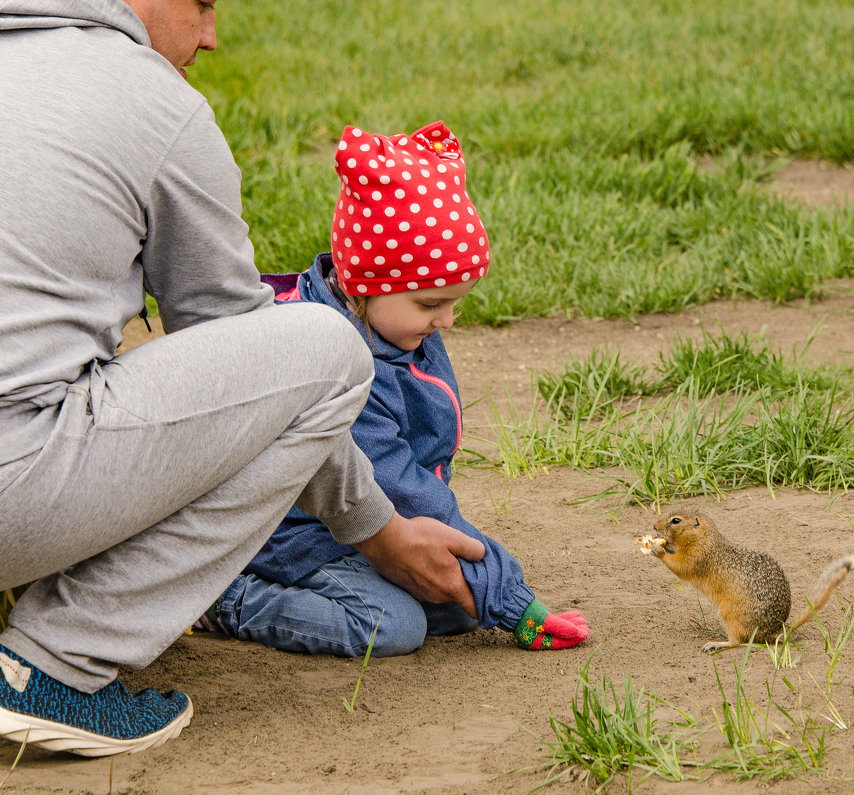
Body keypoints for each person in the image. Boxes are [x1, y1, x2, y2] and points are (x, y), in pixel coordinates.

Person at [0, 0, 484, 756]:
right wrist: (377, 531)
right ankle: (57, 664)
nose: (212, 34)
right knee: (322, 350)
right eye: (203, 4)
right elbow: (243, 343)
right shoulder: (151, 100)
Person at [200, 122, 590, 656]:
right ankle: (228, 598)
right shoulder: (341, 360)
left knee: (454, 607)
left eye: (456, 302)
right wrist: (511, 599)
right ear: (363, 284)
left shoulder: (394, 329)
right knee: (392, 625)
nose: (447, 321)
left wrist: (478, 589)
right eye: (431, 304)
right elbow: (402, 485)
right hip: (288, 535)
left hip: (361, 523)